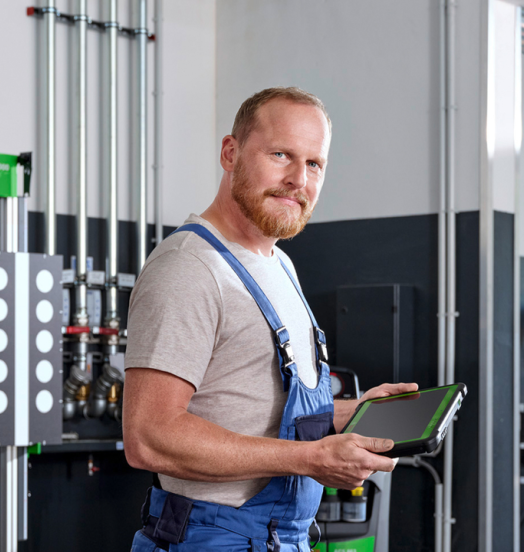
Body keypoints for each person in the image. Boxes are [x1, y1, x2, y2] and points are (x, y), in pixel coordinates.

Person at [122, 87, 418, 552]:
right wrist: (310, 458)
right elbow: (149, 436)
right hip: (211, 540)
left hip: (280, 539)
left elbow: (263, 412)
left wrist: (356, 413)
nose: (299, 179)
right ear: (230, 152)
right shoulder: (189, 267)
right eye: (281, 154)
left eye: (314, 164)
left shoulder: (279, 264)